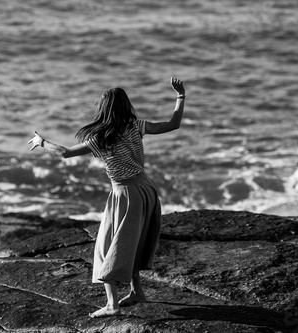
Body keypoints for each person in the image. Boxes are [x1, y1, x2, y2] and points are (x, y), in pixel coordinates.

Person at [28, 77, 185, 318]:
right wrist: (180, 96)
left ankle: (112, 305)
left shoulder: (101, 138)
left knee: (106, 248)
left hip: (125, 195)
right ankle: (137, 292)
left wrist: (41, 142)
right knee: (134, 242)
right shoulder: (137, 126)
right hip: (146, 189)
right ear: (125, 105)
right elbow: (173, 124)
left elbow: (64, 153)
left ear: (103, 109)